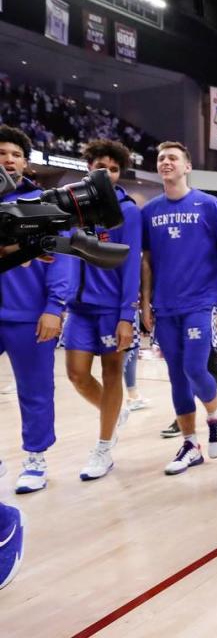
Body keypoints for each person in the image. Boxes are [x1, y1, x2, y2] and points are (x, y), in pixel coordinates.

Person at [141, 141, 217, 475]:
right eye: (161, 158)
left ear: (187, 167)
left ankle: (214, 416)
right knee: (176, 376)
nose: (166, 162)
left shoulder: (209, 206)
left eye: (173, 158)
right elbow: (146, 261)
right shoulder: (149, 211)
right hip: (165, 305)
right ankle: (190, 444)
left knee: (194, 367)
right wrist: (146, 303)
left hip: (201, 301)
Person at [63, 139, 142, 481]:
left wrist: (127, 314)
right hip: (78, 307)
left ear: (120, 172)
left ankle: (104, 448)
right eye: (100, 167)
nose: (106, 173)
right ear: (88, 168)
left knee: (113, 375)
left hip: (112, 308)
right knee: (77, 375)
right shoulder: (71, 207)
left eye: (113, 168)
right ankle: (114, 412)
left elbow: (132, 265)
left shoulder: (129, 211)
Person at [0, 125, 70, 494]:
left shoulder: (45, 202)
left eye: (15, 154)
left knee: (34, 390)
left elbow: (62, 257)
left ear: (26, 163)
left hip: (30, 314)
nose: (8, 160)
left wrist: (54, 307)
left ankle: (35, 458)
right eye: (1, 154)